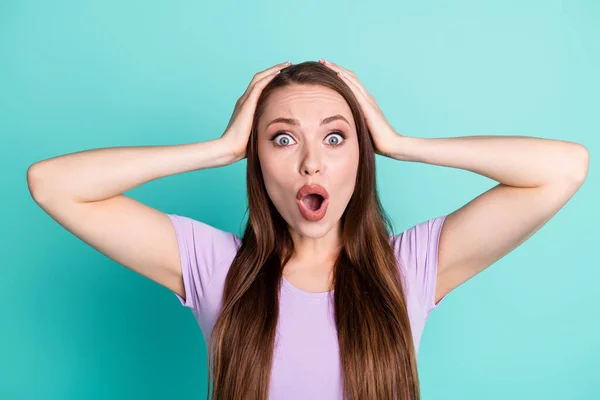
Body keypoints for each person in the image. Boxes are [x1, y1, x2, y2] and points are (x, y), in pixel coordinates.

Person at [27, 60, 589, 400]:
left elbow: (564, 169)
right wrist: (219, 148)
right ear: (259, 161)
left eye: (336, 137)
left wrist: (399, 144)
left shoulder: (410, 268)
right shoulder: (215, 267)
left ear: (360, 160)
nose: (312, 164)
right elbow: (52, 183)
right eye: (283, 138)